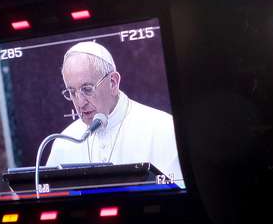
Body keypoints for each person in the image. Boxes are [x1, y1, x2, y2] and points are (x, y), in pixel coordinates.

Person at [45, 41, 181, 183]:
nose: (80, 102)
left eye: (87, 89)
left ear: (113, 82)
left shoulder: (162, 128)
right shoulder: (65, 141)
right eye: (72, 92)